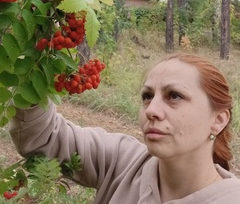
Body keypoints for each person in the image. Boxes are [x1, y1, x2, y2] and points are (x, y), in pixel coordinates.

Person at [9, 52, 240, 203]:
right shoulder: (122, 162)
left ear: (218, 119)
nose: (151, 110)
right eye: (147, 96)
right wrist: (33, 54)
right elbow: (44, 137)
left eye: (174, 96)